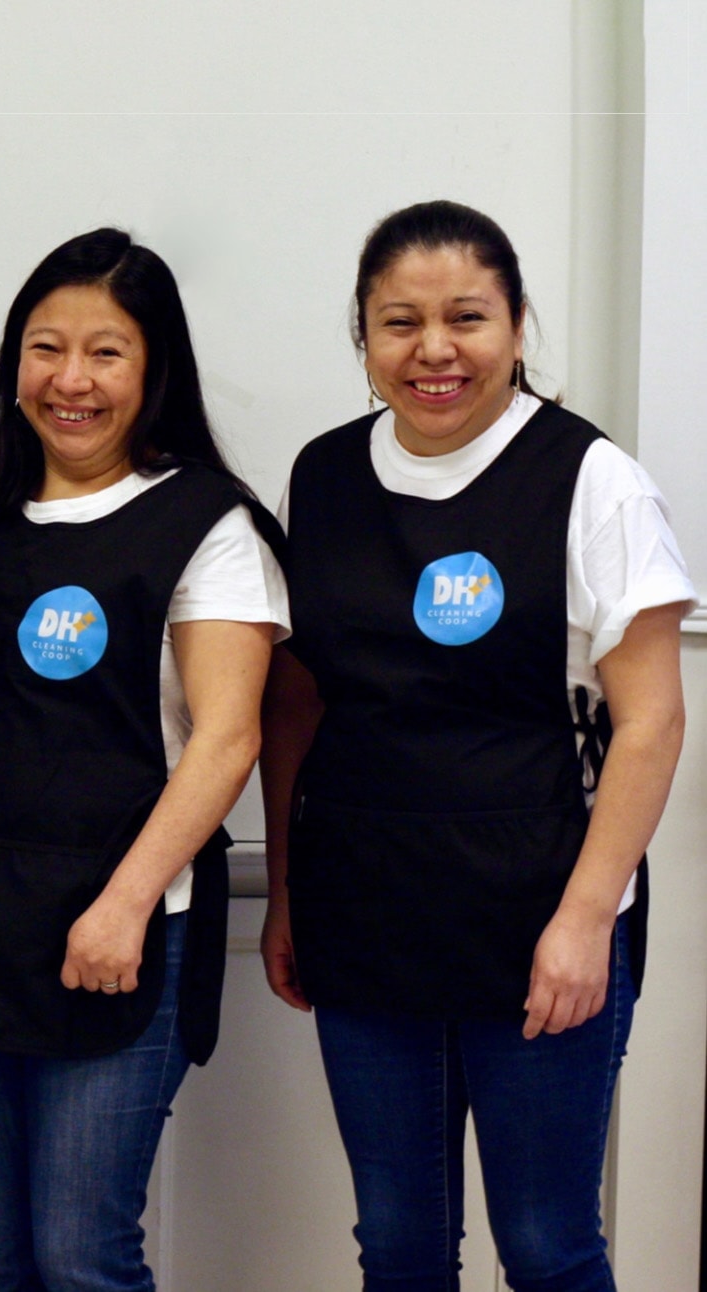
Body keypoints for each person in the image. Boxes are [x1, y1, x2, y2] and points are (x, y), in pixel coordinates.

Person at [260, 200, 691, 1292]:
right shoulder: (319, 478)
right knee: (398, 1243)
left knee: (546, 1243)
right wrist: (286, 892)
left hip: (538, 913)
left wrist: (586, 919)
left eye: (466, 317)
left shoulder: (588, 479)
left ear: (516, 324)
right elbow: (296, 703)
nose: (433, 349)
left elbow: (650, 718)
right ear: (361, 335)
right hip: (363, 909)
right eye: (398, 321)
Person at [0, 228, 287, 1292]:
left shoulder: (207, 523)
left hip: (127, 927)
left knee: (83, 1254)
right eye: (44, 347)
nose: (69, 380)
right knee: (6, 1255)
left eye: (106, 352)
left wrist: (122, 902)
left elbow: (227, 738)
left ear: (154, 368)